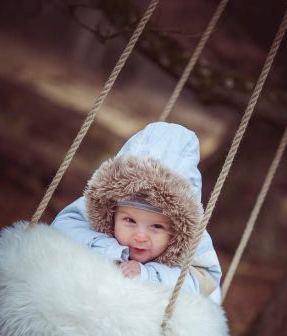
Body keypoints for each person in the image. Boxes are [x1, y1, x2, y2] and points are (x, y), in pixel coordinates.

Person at [51, 122, 222, 304]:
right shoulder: (101, 206)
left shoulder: (192, 236)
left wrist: (149, 274)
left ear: (178, 228)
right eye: (130, 221)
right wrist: (111, 251)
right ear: (112, 213)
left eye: (156, 226)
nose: (140, 236)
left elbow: (206, 279)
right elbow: (62, 226)